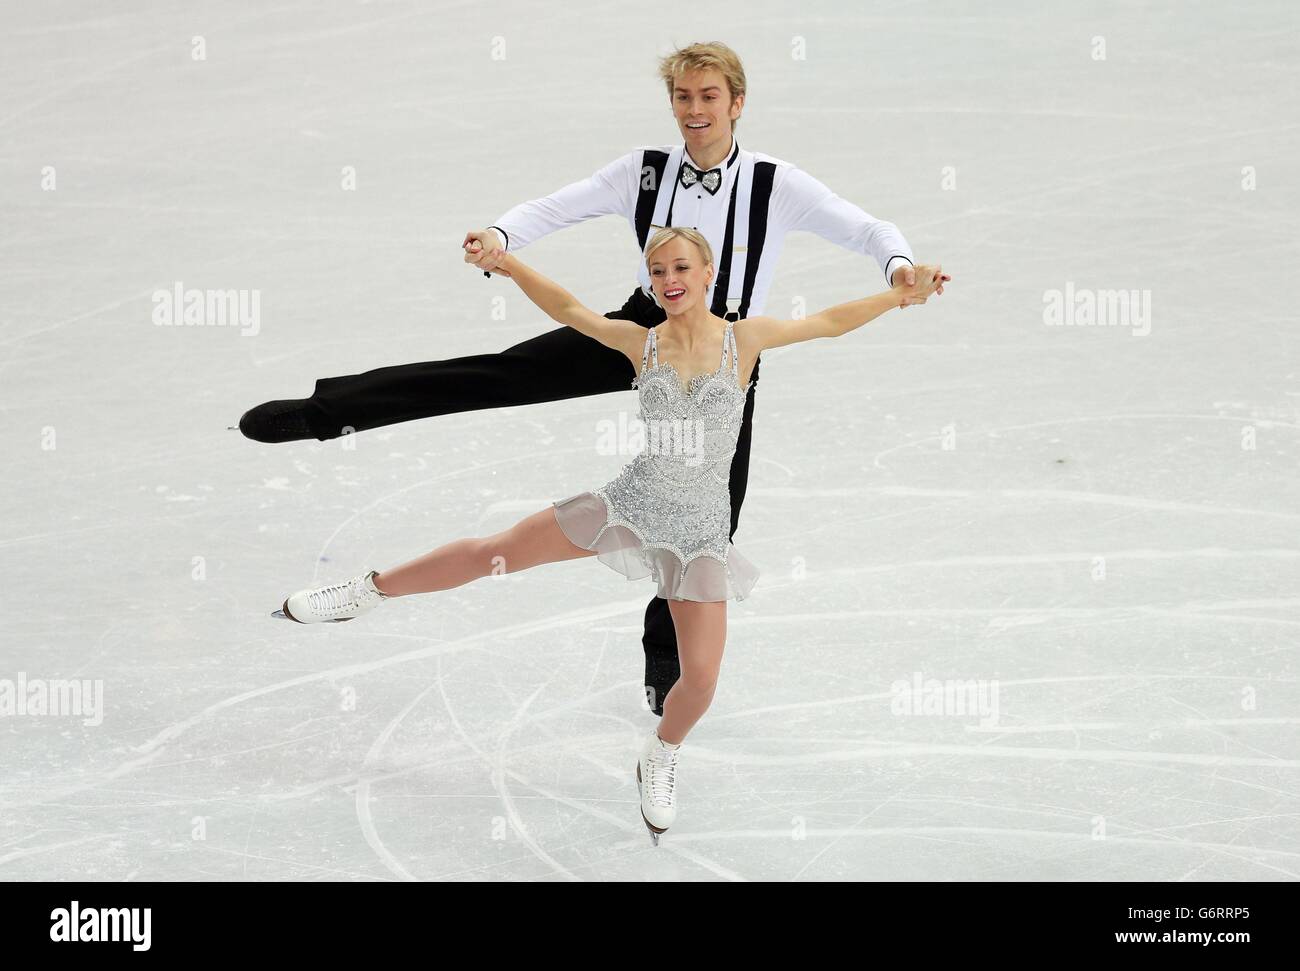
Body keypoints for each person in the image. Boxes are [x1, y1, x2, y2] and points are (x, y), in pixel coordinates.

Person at [240, 41, 945, 716]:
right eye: (682, 97)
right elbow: (557, 205)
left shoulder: (776, 184)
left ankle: (665, 658)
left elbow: (865, 228)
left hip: (730, 357)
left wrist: (898, 269)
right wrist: (503, 239)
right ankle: (327, 410)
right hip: (644, 332)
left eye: (708, 96)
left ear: (737, 103)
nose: (694, 110)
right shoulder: (641, 172)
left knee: (710, 516)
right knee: (502, 373)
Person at [274, 226, 946, 842]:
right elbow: (570, 309)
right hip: (633, 502)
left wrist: (900, 296)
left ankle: (662, 749)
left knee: (702, 681)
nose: (668, 278)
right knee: (495, 552)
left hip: (700, 532)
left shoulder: (748, 339)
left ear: (708, 270)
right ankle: (367, 590)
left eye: (680, 265)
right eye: (657, 270)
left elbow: (828, 323)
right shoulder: (640, 340)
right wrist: (508, 264)